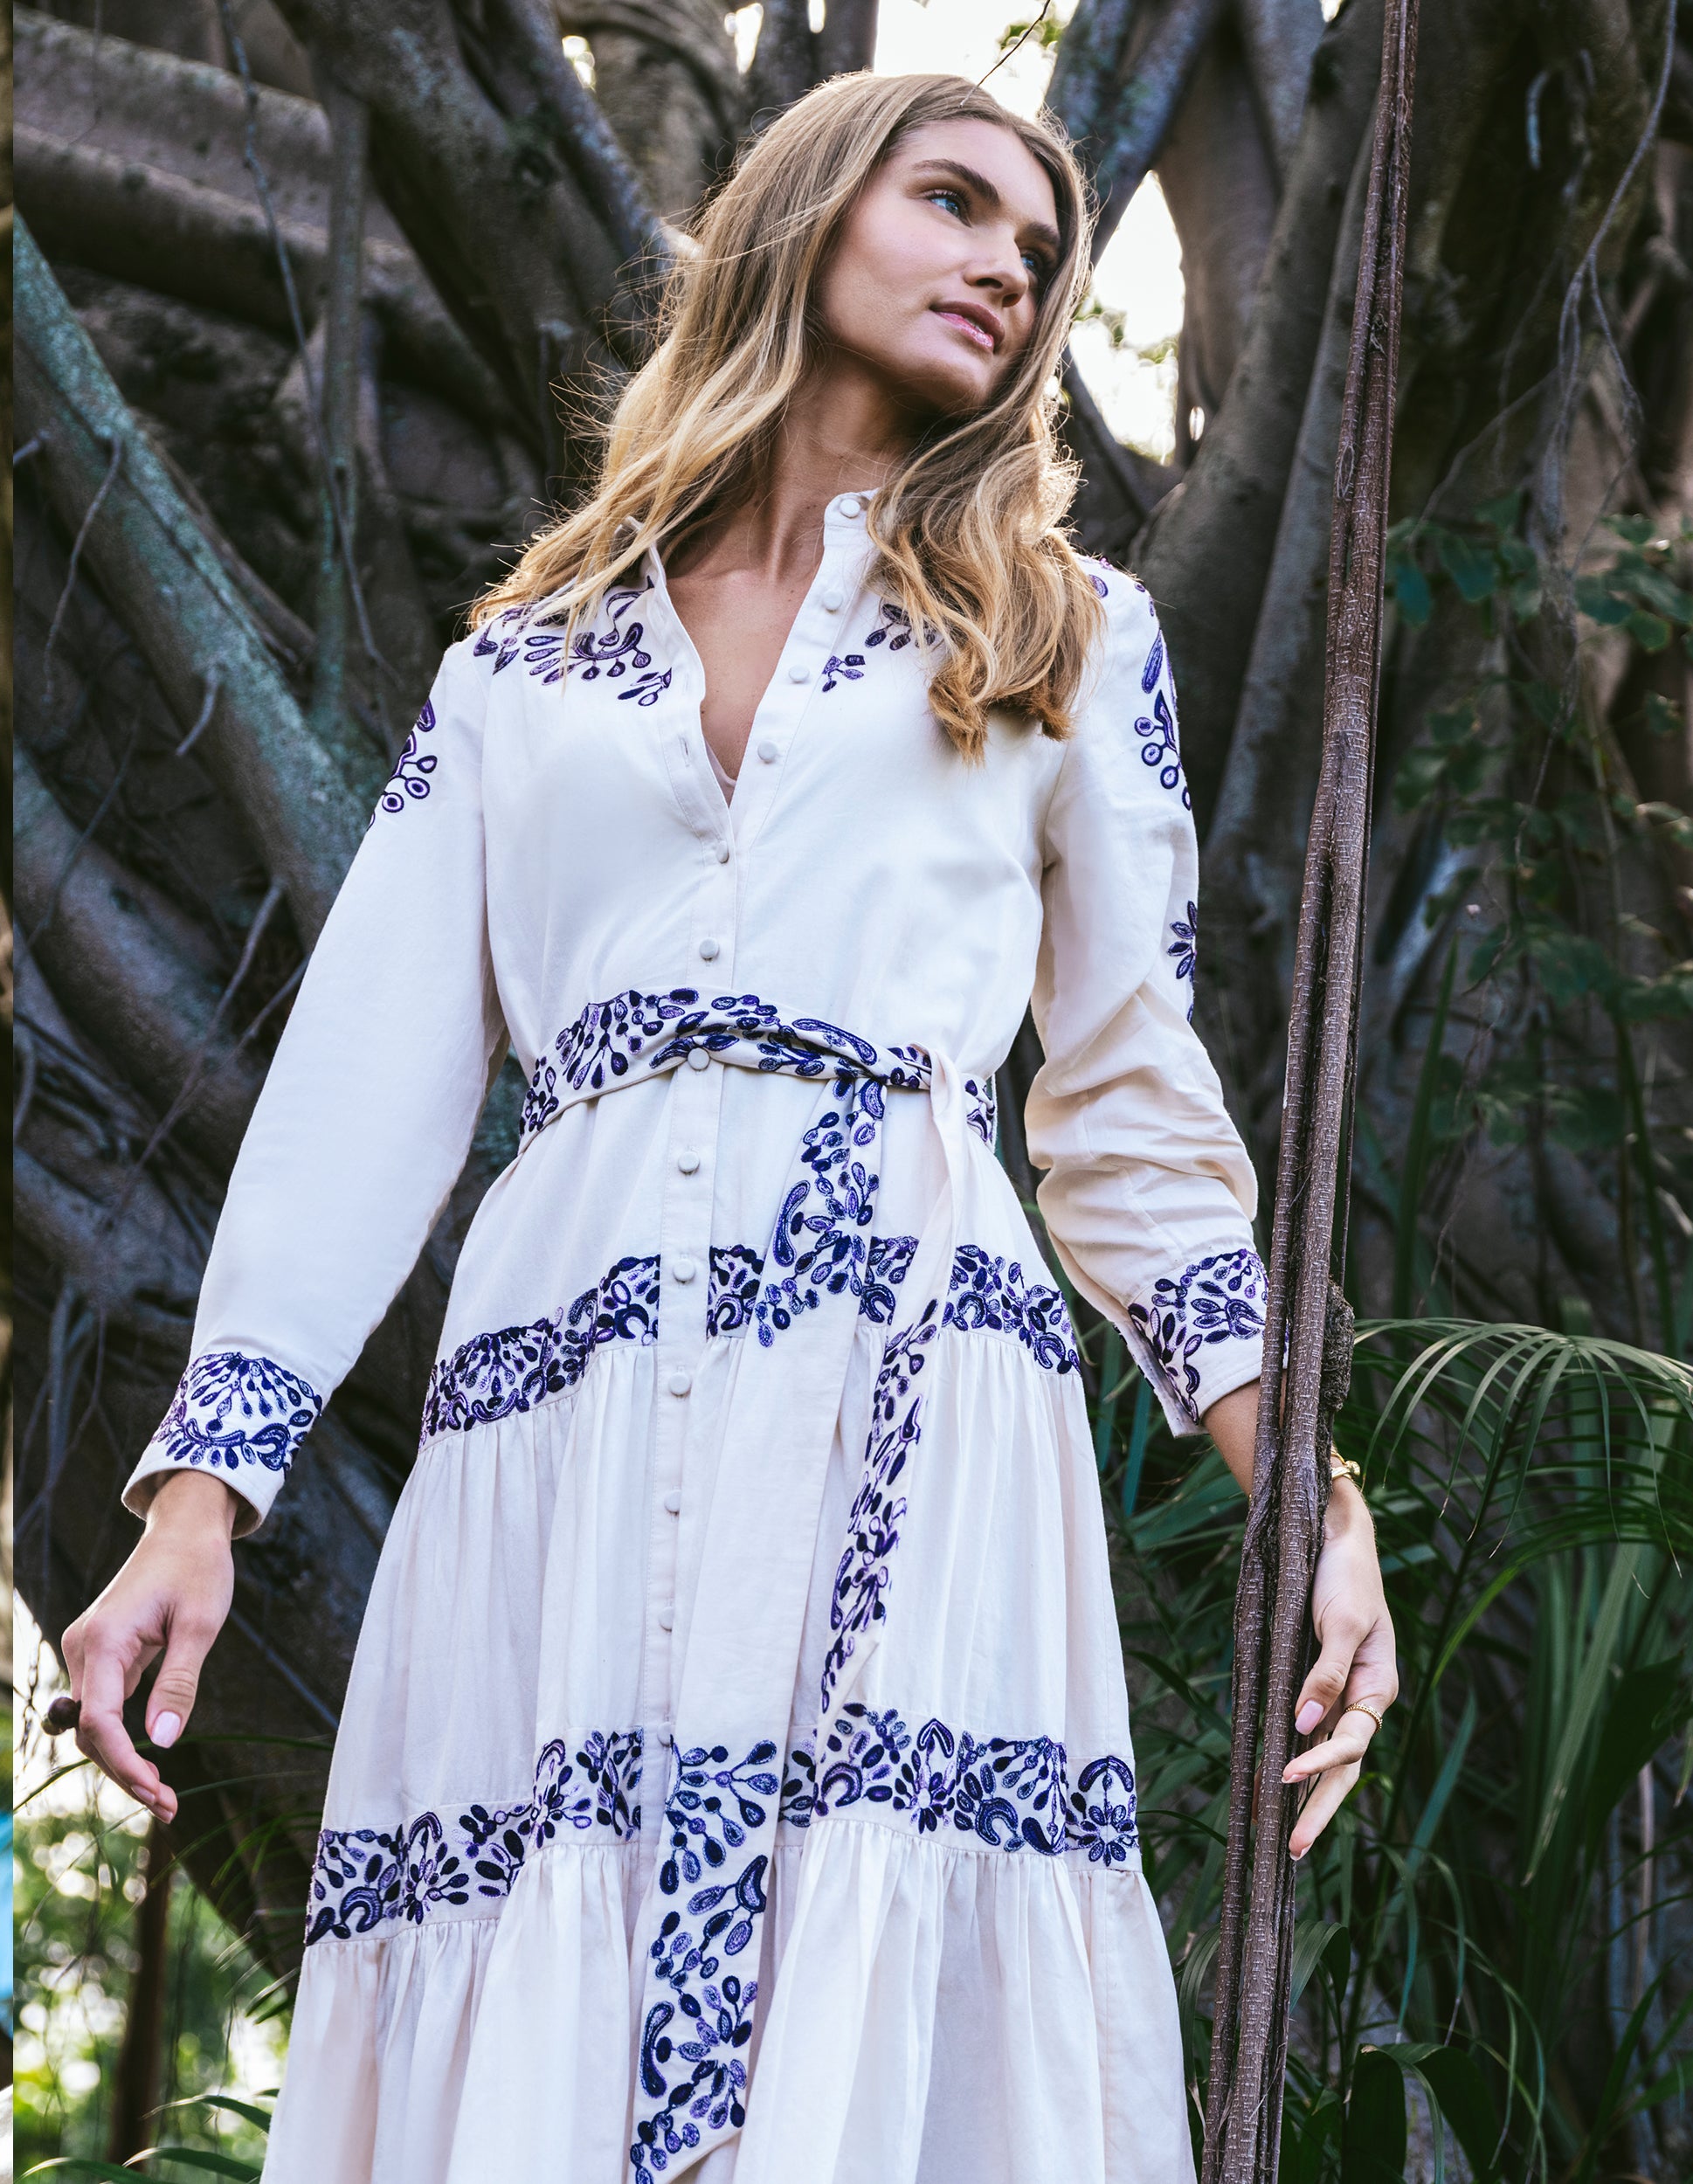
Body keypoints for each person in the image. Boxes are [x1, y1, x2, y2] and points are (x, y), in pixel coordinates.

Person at [60, 70, 1397, 2183]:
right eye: (951, 200)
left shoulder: (1066, 635)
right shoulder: (525, 669)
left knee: (877, 1949)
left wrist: (1301, 1483)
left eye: (1039, 249)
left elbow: (1134, 1121)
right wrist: (201, 1491)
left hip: (910, 1373)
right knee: (540, 1919)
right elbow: (360, 1086)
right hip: (561, 1407)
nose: (1005, 265)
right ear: (803, 213)